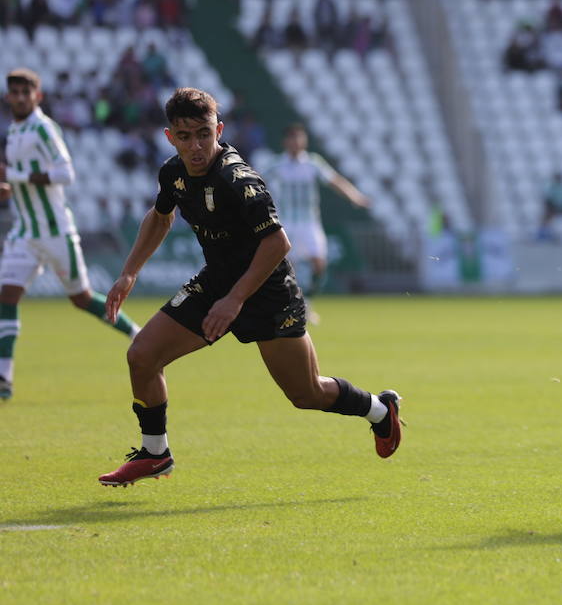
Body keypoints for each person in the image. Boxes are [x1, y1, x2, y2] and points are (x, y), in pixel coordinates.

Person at [98, 89, 402, 486]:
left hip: (267, 290)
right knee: (142, 355)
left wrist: (235, 300)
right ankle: (156, 452)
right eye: (185, 136)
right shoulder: (172, 172)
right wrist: (129, 272)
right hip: (217, 282)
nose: (196, 146)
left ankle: (380, 411)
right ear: (171, 137)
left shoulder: (237, 178)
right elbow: (160, 217)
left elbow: (278, 243)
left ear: (218, 130)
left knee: (306, 394)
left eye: (204, 134)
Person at [0, 68, 141, 400]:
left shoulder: (42, 129)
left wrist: (16, 177)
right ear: (8, 96)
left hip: (55, 232)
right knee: (6, 296)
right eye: (14, 92)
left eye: (25, 92)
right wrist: (10, 190)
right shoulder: (14, 131)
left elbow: (66, 172)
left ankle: (137, 333)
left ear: (38, 96)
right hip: (25, 232)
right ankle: (4, 377)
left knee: (81, 299)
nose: (19, 97)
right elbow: (24, 181)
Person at [261, 123, 370, 313]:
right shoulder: (277, 164)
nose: (296, 142)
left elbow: (335, 180)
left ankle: (307, 299)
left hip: (309, 222)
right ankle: (292, 303)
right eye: (292, 137)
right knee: (288, 267)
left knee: (319, 262)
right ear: (285, 141)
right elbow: (257, 180)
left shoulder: (313, 163)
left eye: (299, 137)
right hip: (287, 222)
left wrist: (354, 196)